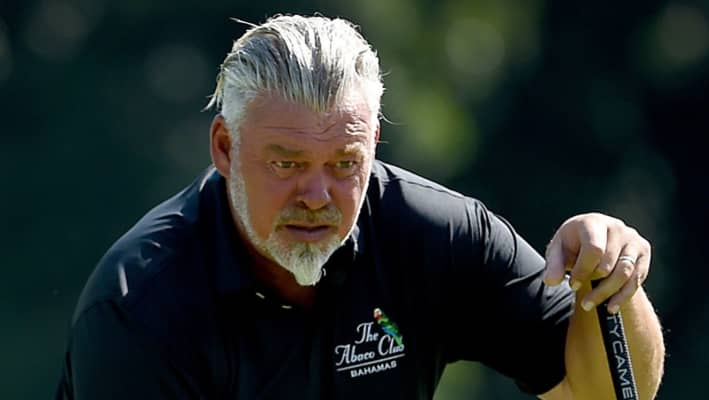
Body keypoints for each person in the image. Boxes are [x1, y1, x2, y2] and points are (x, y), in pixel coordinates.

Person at [55, 14, 664, 400]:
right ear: (225, 148)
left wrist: (611, 287)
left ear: (372, 144)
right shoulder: (139, 307)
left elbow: (601, 393)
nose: (317, 195)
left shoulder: (437, 236)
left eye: (345, 164)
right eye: (287, 164)